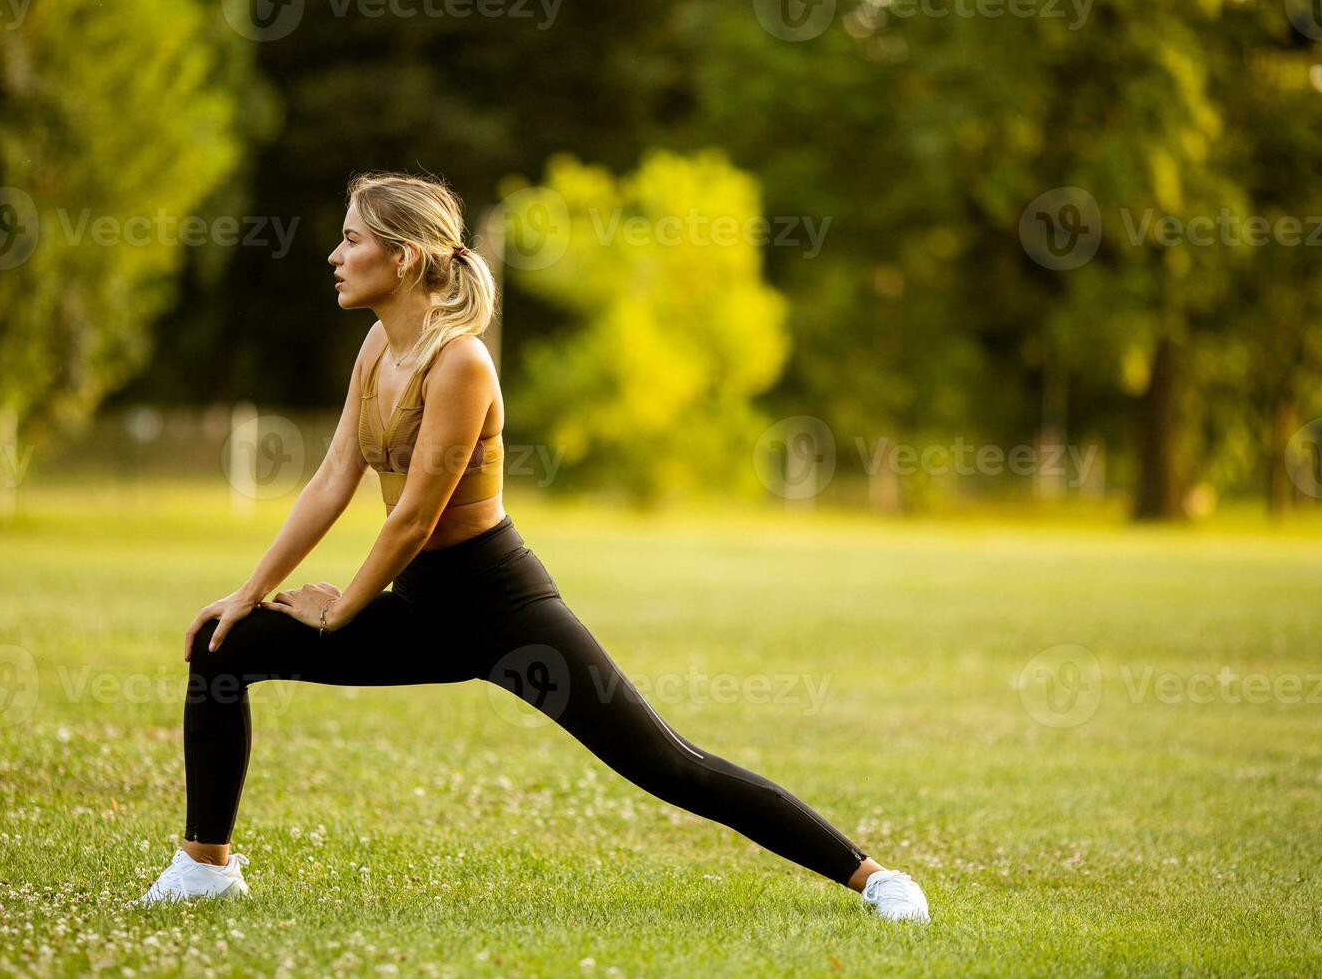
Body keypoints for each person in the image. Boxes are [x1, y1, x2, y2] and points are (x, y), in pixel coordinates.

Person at [133, 171, 930, 923]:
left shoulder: (460, 362)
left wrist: (341, 608)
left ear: (403, 257)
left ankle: (875, 877)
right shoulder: (377, 349)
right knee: (221, 643)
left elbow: (412, 518)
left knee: (669, 767)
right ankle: (206, 868)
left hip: (502, 609)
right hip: (417, 607)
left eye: (351, 240)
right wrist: (248, 593)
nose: (335, 256)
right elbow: (332, 481)